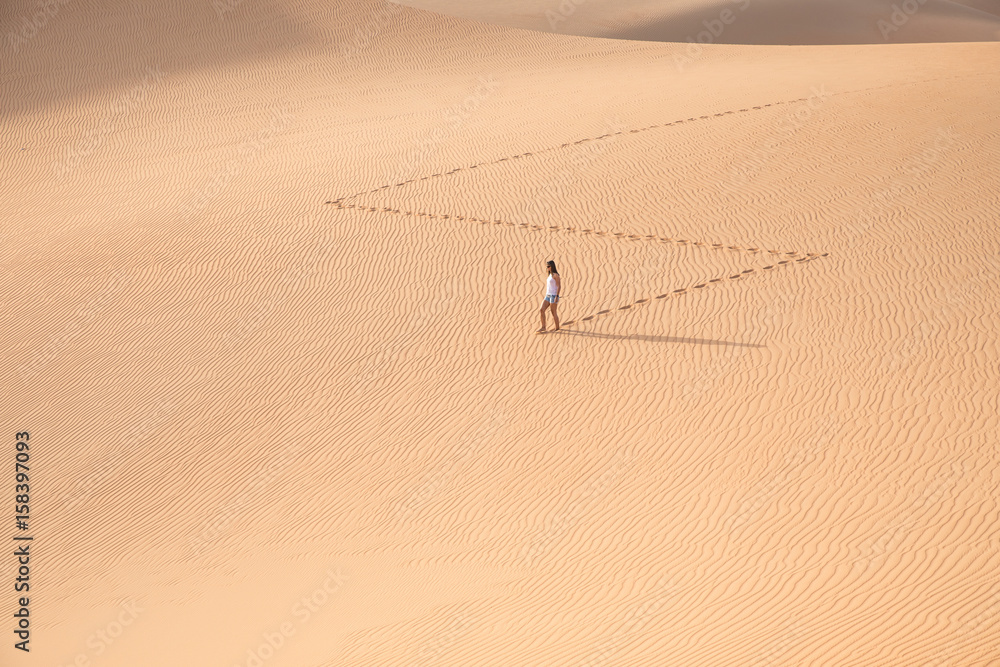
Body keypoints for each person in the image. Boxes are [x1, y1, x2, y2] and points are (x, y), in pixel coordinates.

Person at [538, 260, 561, 333]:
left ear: (552, 267)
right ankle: (543, 327)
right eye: (547, 266)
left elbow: (559, 286)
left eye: (548, 266)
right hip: (547, 295)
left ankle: (557, 329)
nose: (547, 268)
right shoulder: (549, 275)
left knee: (553, 312)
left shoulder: (555, 275)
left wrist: (557, 296)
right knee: (541, 309)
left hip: (553, 295)